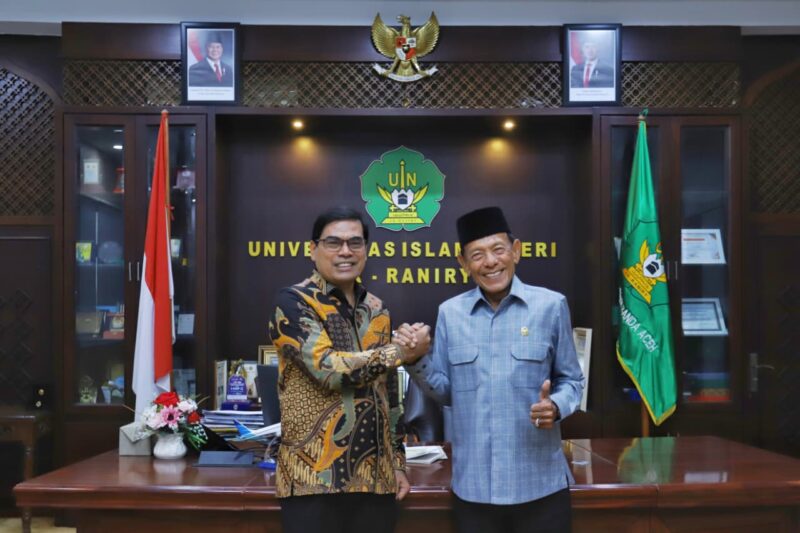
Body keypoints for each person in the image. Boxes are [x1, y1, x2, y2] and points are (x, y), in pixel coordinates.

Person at [398, 206, 584, 533]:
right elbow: (446, 392)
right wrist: (415, 360)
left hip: (540, 487)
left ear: (516, 251)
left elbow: (572, 380)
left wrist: (556, 406)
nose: (490, 262)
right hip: (474, 491)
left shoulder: (551, 306)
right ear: (463, 262)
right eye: (477, 255)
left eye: (498, 250)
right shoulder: (450, 313)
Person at [268, 206, 431, 533]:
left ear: (366, 250)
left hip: (376, 484)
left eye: (355, 242)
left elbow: (390, 396)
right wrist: (401, 351)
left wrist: (398, 464)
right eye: (333, 242)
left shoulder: (377, 309)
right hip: (314, 481)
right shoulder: (294, 302)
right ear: (313, 249)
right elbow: (329, 370)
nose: (346, 251)